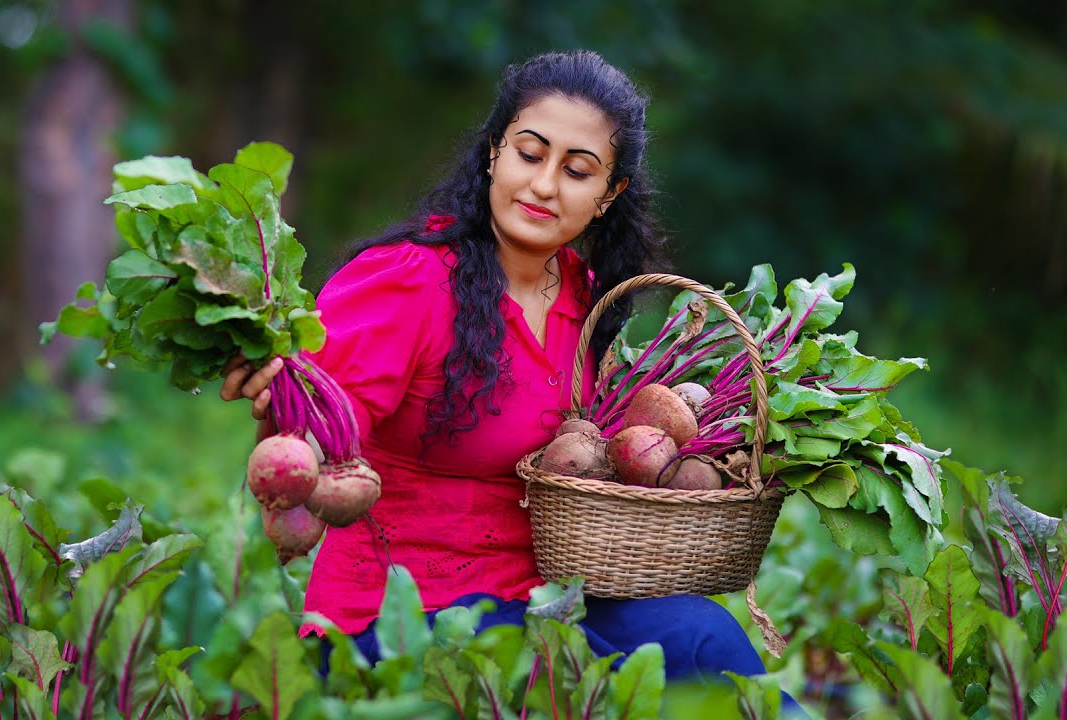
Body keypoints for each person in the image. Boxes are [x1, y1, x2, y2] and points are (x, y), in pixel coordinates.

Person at [221, 49, 794, 702]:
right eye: (529, 153)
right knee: (530, 672)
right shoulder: (407, 282)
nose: (544, 185)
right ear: (494, 152)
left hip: (548, 597)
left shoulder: (586, 297)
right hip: (402, 613)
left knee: (702, 637)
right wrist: (279, 400)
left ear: (608, 195)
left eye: (577, 171)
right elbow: (319, 437)